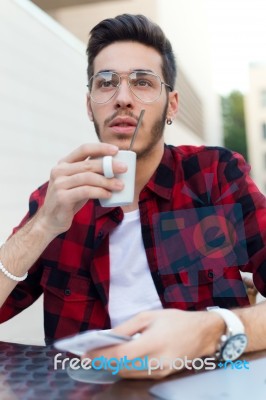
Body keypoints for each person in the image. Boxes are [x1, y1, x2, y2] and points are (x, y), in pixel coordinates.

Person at [0, 14, 265, 373]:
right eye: (106, 83)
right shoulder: (58, 200)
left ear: (171, 105)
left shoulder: (213, 177)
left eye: (142, 82)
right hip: (88, 392)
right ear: (89, 103)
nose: (122, 98)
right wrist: (43, 225)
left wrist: (215, 331)